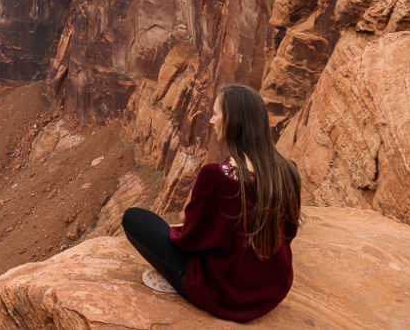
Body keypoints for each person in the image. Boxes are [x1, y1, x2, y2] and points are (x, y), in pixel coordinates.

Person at [121, 84, 301, 322]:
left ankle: (179, 284)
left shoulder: (217, 177)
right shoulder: (288, 170)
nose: (212, 121)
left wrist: (175, 232)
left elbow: (191, 240)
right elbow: (289, 231)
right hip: (272, 290)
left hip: (224, 294)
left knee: (135, 219)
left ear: (234, 122)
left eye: (217, 114)